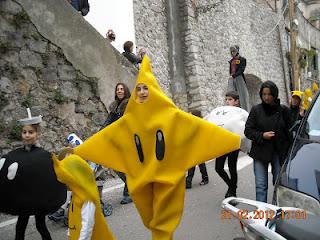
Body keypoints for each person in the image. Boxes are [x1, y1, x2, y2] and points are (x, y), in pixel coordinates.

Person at [244, 81, 292, 203]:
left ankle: (277, 211)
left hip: (278, 152)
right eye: (264, 94)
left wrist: (289, 151)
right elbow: (248, 131)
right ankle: (262, 215)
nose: (266, 97)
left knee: (278, 185)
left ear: (275, 94)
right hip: (260, 152)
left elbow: (290, 131)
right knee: (261, 186)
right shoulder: (256, 110)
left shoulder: (284, 110)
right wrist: (262, 135)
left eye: (269, 94)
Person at [11, 109, 53, 240]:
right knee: (20, 227)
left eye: (31, 132)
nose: (27, 135)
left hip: (38, 197)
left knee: (41, 225)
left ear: (37, 134)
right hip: (24, 197)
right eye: (24, 132)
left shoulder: (42, 154)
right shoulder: (18, 154)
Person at [101, 83, 133, 204]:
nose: (119, 91)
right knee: (117, 167)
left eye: (121, 89)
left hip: (128, 141)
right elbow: (108, 122)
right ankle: (133, 187)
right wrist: (99, 134)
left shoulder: (129, 104)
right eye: (117, 89)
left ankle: (128, 193)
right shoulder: (114, 107)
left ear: (125, 90)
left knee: (127, 167)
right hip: (117, 141)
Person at [185, 110, 209, 189]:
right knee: (197, 164)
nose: (189, 115)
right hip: (192, 146)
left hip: (199, 146)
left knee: (198, 164)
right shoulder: (191, 123)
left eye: (190, 114)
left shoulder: (199, 124)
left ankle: (189, 181)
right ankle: (203, 178)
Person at [228, 45, 250, 112]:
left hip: (239, 78)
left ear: (237, 51)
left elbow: (241, 70)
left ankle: (245, 111)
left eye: (234, 51)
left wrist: (233, 76)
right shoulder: (231, 61)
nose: (232, 53)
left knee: (242, 95)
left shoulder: (242, 59)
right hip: (232, 79)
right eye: (231, 51)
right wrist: (231, 77)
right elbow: (231, 70)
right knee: (231, 95)